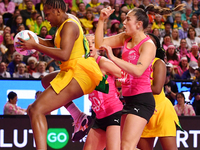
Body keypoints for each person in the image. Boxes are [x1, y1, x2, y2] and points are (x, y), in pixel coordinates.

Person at [18, 0, 106, 149]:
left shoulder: (70, 26)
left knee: (35, 110)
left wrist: (35, 46)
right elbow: (54, 44)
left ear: (57, 11)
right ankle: (78, 116)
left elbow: (64, 54)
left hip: (79, 73)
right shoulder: (67, 22)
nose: (46, 19)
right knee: (46, 80)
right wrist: (34, 39)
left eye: (47, 15)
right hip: (76, 69)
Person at [137, 33, 182, 150]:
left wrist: (135, 86)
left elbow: (157, 89)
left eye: (150, 42)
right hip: (143, 112)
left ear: (155, 48)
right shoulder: (134, 64)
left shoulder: (158, 62)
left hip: (161, 111)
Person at [83, 34, 123, 150]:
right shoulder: (83, 66)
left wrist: (117, 86)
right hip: (99, 117)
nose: (90, 44)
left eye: (93, 42)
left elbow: (127, 77)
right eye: (86, 42)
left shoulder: (103, 63)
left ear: (98, 47)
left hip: (114, 112)